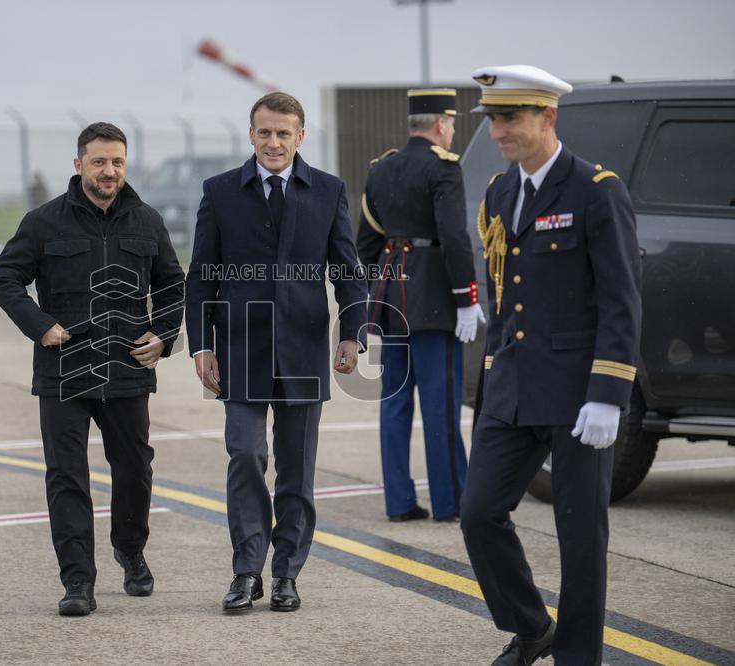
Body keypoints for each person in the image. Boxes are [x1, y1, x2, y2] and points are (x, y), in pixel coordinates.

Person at [459, 66, 641, 665]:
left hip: (575, 393)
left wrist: (609, 392)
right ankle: (532, 626)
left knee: (581, 537)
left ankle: (578, 658)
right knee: (480, 512)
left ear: (548, 116)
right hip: (510, 388)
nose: (499, 130)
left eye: (511, 117)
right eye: (493, 118)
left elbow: (621, 297)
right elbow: (502, 292)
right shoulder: (499, 191)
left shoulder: (595, 189)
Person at [0, 122, 185, 617]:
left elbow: (172, 286)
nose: (109, 171)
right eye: (99, 162)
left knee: (135, 470)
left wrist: (164, 338)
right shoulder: (44, 221)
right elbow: (5, 276)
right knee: (67, 477)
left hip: (126, 369)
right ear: (79, 165)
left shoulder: (147, 221)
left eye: (117, 162)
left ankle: (130, 548)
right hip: (64, 371)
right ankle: (78, 581)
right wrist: (40, 326)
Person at [185, 92, 368, 613]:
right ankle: (247, 571)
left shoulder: (328, 191)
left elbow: (349, 271)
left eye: (283, 133)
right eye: (264, 132)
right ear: (251, 135)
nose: (273, 142)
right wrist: (201, 344)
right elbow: (201, 277)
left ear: (300, 137)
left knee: (296, 471)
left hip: (305, 350)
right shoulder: (219, 192)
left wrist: (351, 334)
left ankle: (286, 573)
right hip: (238, 350)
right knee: (245, 455)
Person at [356, 88, 483, 524]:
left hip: (392, 300)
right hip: (434, 301)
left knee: (394, 405)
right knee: (439, 404)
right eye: (451, 126)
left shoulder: (381, 169)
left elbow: (366, 246)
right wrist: (466, 298)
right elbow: (454, 238)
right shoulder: (443, 168)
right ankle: (451, 502)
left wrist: (378, 297)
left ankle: (399, 501)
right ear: (442, 125)